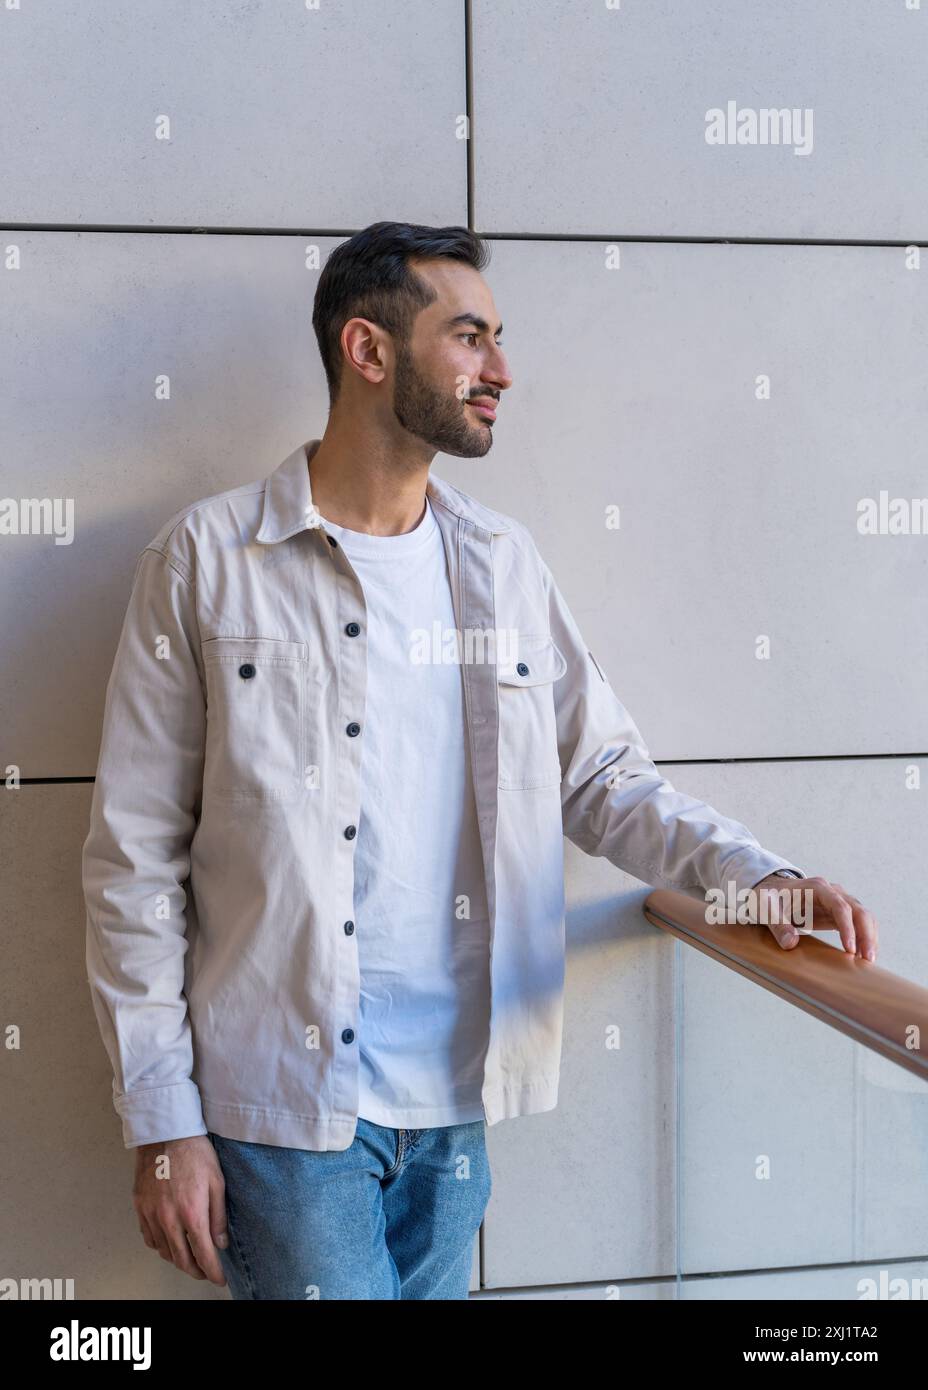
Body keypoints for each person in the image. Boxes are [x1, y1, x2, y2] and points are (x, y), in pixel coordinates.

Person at [82, 221, 879, 1300]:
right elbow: (133, 858)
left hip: (459, 1104)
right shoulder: (208, 561)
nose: (500, 370)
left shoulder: (500, 566)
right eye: (468, 338)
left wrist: (750, 878)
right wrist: (163, 1120)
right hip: (283, 1111)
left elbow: (601, 778)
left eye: (496, 340)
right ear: (369, 351)